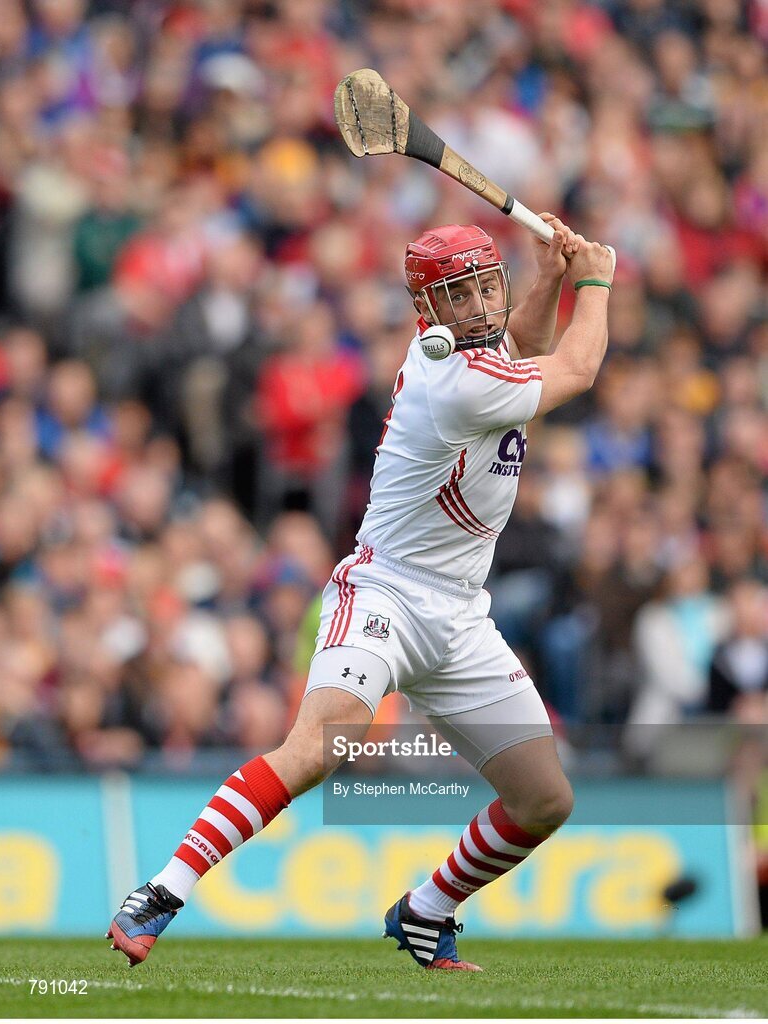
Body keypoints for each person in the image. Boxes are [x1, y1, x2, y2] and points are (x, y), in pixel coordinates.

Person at [107, 214, 614, 971]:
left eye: (485, 286)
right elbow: (572, 369)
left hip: (461, 612)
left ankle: (426, 909)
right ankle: (162, 891)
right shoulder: (456, 378)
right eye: (459, 295)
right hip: (387, 592)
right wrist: (596, 280)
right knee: (318, 748)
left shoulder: (481, 354)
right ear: (428, 311)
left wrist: (545, 280)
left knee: (545, 800)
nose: (478, 306)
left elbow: (526, 344)